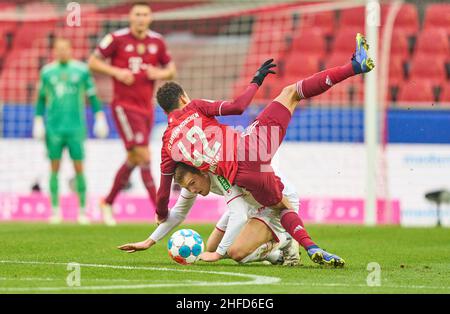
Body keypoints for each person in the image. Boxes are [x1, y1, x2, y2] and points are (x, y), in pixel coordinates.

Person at [155, 33, 374, 264]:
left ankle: (307, 247)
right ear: (183, 97)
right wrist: (256, 80)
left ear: (164, 110)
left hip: (244, 174)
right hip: (253, 143)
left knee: (279, 208)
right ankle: (354, 66)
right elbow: (238, 106)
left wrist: (161, 216)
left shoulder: (168, 144)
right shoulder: (196, 107)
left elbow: (163, 193)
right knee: (291, 92)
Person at [88, 1, 176, 225]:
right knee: (144, 156)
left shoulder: (157, 41)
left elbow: (171, 70)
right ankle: (160, 211)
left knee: (134, 157)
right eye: (137, 14)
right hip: (124, 107)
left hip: (147, 107)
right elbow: (93, 62)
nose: (141, 18)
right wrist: (116, 72)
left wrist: (160, 72)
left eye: (145, 14)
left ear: (150, 18)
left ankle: (107, 202)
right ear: (130, 17)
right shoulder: (116, 39)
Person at [118, 162, 301, 266]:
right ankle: (275, 256)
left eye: (192, 183)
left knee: (235, 253)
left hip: (275, 200)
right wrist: (149, 242)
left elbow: (239, 216)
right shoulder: (194, 180)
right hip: (248, 201)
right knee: (210, 247)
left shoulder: (219, 173)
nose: (191, 190)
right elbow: (179, 213)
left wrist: (220, 254)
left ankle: (285, 239)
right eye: (186, 187)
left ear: (203, 172)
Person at [33, 38, 109, 225]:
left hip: (76, 128)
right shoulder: (47, 72)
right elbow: (41, 98)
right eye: (59, 49)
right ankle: (55, 211)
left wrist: (100, 116)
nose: (62, 52)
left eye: (65, 48)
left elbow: (92, 96)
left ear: (71, 49)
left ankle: (82, 211)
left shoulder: (82, 71)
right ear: (54, 51)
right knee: (54, 168)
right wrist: (38, 120)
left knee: (79, 168)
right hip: (54, 128)